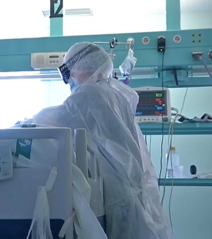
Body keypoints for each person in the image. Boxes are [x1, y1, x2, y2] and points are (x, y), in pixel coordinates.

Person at [31, 42, 172, 239]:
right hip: (129, 187)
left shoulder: (87, 95)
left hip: (115, 192)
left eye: (69, 72)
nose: (69, 80)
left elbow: (56, 119)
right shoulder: (116, 93)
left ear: (80, 67)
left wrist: (24, 124)